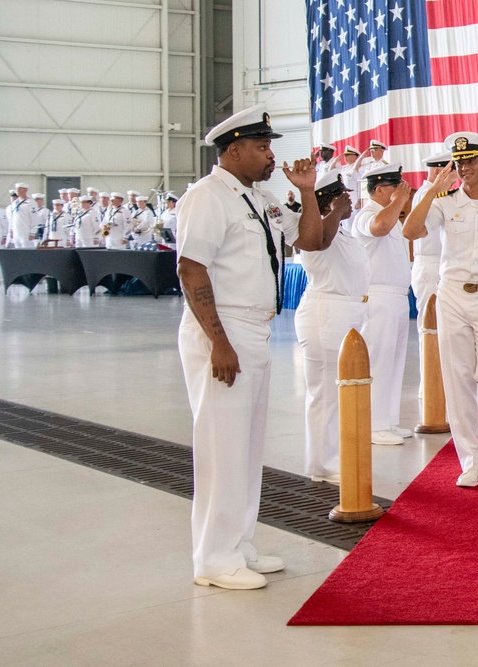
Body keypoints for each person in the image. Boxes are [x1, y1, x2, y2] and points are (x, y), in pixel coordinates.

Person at [176, 103, 322, 591]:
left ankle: (238, 543)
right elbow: (191, 269)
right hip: (224, 330)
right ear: (233, 149)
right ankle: (213, 559)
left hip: (254, 330)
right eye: (262, 147)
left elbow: (311, 241)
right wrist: (218, 341)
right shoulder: (208, 197)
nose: (270, 156)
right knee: (222, 446)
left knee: (247, 444)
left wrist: (306, 193)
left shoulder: (256, 198)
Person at [403, 132, 478, 488]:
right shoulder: (442, 202)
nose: (464, 167)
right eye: (459, 161)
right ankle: (471, 458)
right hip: (452, 294)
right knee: (457, 380)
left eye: (471, 160)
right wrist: (431, 189)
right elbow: (410, 231)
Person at [295, 171, 366, 482]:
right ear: (331, 199)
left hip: (347, 313)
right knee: (324, 392)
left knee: (338, 393)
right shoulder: (316, 230)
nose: (350, 200)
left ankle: (332, 456)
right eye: (343, 195)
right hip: (326, 312)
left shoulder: (341, 230)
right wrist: (335, 211)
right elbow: (318, 245)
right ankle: (320, 464)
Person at [352, 163, 413, 446]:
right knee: (378, 362)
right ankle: (373, 425)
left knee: (394, 362)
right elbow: (379, 228)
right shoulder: (367, 214)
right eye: (394, 186)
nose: (401, 189)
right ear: (379, 189)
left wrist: (399, 202)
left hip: (397, 296)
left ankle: (388, 421)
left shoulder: (393, 217)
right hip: (378, 296)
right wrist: (400, 201)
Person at [411, 151, 453, 396]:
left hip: (442, 263)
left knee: (442, 328)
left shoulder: (440, 195)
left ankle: (438, 381)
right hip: (430, 265)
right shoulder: (426, 195)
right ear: (439, 171)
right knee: (428, 327)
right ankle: (428, 384)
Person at [8, 184, 37, 248]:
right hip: (16, 231)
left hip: (26, 231)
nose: (17, 190)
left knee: (26, 252)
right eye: (16, 189)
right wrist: (11, 230)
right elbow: (12, 218)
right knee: (18, 252)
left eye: (19, 189)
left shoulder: (31, 202)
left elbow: (34, 218)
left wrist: (33, 232)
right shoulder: (15, 203)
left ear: (25, 190)